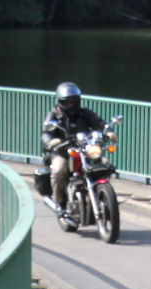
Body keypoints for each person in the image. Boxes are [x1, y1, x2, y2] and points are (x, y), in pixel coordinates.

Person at [39, 82, 110, 218]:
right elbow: (46, 134)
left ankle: (104, 196)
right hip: (62, 152)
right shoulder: (54, 116)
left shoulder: (85, 113)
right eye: (68, 102)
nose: (71, 104)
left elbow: (99, 123)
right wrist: (52, 141)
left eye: (74, 101)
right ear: (61, 102)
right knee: (59, 170)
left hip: (84, 150)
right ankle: (59, 201)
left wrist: (108, 132)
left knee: (104, 163)